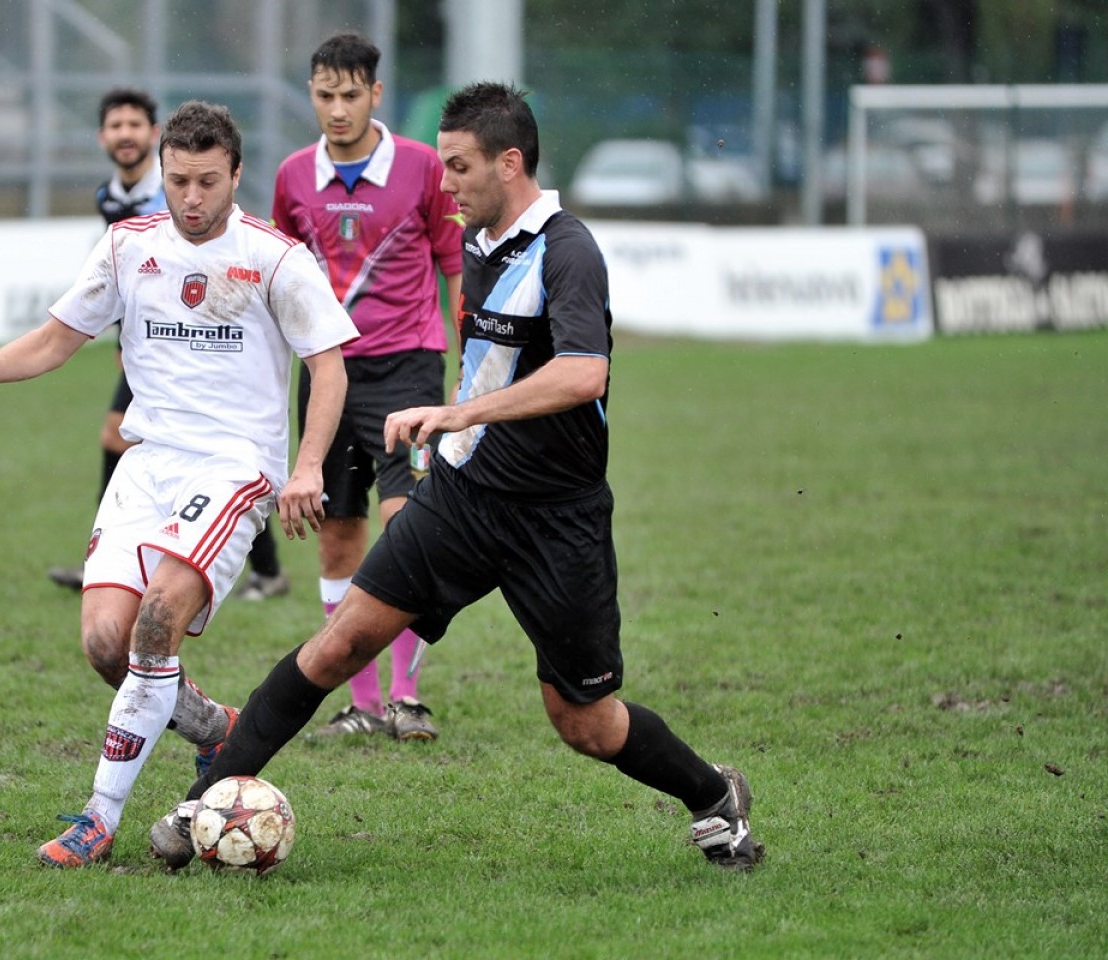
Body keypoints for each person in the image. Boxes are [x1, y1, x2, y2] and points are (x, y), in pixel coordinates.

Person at [149, 82, 765, 873]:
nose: (446, 183)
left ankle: (714, 797)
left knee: (584, 721)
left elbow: (583, 374)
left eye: (459, 166)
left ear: (509, 163)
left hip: (557, 521)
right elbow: (491, 366)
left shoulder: (568, 251)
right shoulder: (477, 242)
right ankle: (213, 793)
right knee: (338, 644)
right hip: (464, 498)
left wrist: (458, 414)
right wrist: (453, 421)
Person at [0, 100, 358, 869]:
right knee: (107, 644)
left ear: (235, 176)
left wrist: (307, 464)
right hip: (148, 465)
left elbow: (329, 364)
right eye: (177, 180)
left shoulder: (276, 257)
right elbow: (56, 340)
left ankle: (98, 817)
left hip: (233, 465)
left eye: (207, 182)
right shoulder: (126, 246)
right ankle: (216, 729)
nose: (190, 197)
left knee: (155, 623)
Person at [271, 31, 463, 742]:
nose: (338, 108)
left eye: (351, 94)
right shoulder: (293, 176)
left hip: (410, 369)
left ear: (376, 94)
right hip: (328, 375)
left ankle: (408, 697)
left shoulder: (421, 168)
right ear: (312, 95)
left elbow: (454, 267)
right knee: (337, 537)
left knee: (407, 527)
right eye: (325, 95)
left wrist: (468, 365)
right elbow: (283, 279)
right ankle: (363, 703)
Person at [47, 86, 290, 603]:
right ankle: (113, 552)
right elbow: (127, 279)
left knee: (135, 438)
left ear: (153, 136)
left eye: (135, 125)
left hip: (192, 348)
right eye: (116, 126)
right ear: (103, 137)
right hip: (152, 345)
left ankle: (259, 564)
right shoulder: (110, 197)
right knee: (124, 439)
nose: (125, 135)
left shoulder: (176, 203)